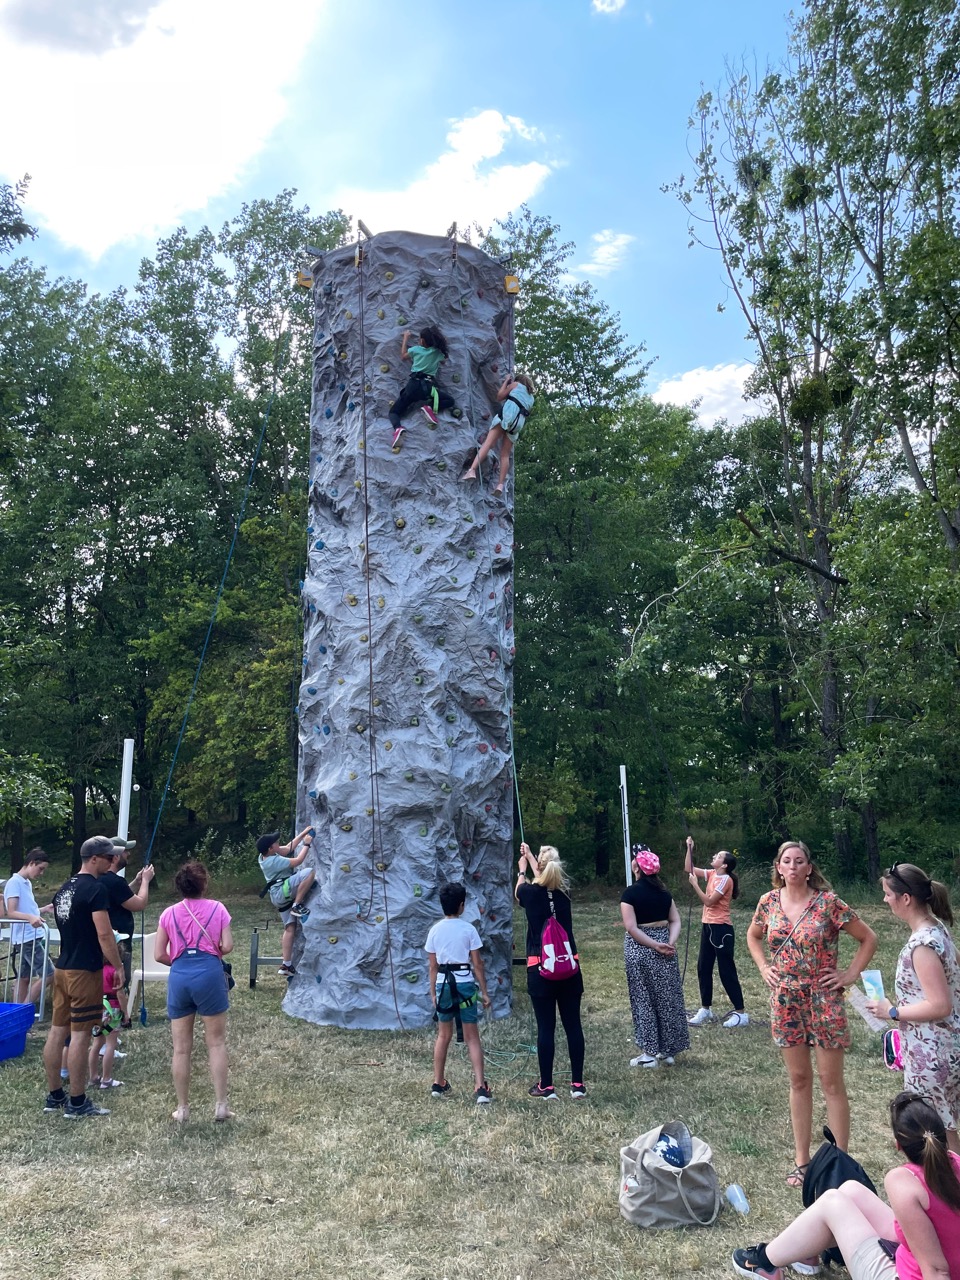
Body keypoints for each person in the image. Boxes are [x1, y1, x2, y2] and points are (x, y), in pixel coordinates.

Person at [747, 839, 877, 1187]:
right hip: (786, 999)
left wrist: (849, 975)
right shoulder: (768, 903)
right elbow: (753, 935)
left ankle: (839, 1164)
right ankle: (802, 1161)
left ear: (808, 867)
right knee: (799, 1080)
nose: (792, 866)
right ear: (778, 867)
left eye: (799, 860)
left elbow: (869, 938)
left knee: (831, 1082)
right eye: (786, 861)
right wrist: (763, 966)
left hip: (824, 998)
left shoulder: (827, 903)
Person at [731, 1091, 960, 1280]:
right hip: (929, 1256)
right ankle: (802, 1250)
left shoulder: (902, 1182)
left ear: (898, 1144)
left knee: (833, 1202)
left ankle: (763, 1262)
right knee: (850, 1190)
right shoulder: (955, 1162)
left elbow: (938, 1271)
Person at [865, 862, 960, 1155]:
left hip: (933, 1053)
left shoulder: (922, 945)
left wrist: (892, 1012)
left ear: (905, 898)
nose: (884, 900)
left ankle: (950, 1189)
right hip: (945, 1045)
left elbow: (939, 1004)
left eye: (887, 894)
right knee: (948, 1126)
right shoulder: (938, 930)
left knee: (937, 1133)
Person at [42, 835, 125, 1120]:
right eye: (109, 857)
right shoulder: (95, 889)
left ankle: (55, 1095)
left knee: (57, 1031)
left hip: (62, 968)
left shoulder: (64, 888)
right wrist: (118, 966)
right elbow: (104, 934)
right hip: (84, 970)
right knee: (79, 1035)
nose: (113, 861)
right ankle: (77, 1102)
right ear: (94, 859)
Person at [155, 861, 234, 1124]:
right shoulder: (218, 908)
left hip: (180, 976)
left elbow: (159, 954)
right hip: (209, 974)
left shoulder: (168, 914)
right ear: (204, 884)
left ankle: (183, 1108)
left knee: (181, 1049)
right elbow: (228, 945)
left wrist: (180, 962)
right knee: (216, 1042)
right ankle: (221, 1105)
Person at [515, 841, 586, 1100]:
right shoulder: (564, 894)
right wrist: (534, 857)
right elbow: (546, 881)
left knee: (546, 1028)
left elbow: (520, 892)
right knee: (573, 1026)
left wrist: (523, 868)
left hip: (541, 970)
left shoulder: (529, 894)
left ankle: (547, 1086)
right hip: (570, 969)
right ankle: (577, 1085)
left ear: (540, 869)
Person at [620, 844, 690, 1068]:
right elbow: (675, 921)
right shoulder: (665, 893)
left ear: (638, 868)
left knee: (644, 1000)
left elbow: (632, 928)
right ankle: (668, 1052)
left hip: (640, 949)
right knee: (667, 999)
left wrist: (653, 945)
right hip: (665, 948)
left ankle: (648, 1053)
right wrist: (669, 942)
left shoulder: (630, 894)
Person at [424, 881, 492, 1104]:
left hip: (443, 984)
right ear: (462, 906)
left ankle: (438, 1082)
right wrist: (484, 991)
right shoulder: (468, 929)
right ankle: (480, 1086)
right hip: (464, 985)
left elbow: (433, 966)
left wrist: (433, 992)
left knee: (443, 1035)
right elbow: (477, 963)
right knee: (472, 1037)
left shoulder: (434, 930)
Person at [684, 835, 749, 1028]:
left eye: (718, 856)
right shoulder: (713, 874)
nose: (715, 856)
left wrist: (695, 885)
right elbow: (688, 868)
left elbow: (709, 901)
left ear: (725, 864)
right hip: (708, 926)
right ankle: (706, 1009)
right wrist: (689, 848)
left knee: (726, 970)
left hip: (722, 929)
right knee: (703, 967)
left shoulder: (725, 880)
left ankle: (741, 1013)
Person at [99, 838, 155, 1009]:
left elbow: (120, 897)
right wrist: (145, 881)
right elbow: (139, 904)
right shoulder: (115, 882)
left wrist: (135, 883)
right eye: (125, 851)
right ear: (115, 857)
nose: (128, 854)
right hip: (118, 943)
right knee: (118, 982)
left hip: (106, 941)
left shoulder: (104, 879)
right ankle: (113, 1021)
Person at [459, 372, 535, 496]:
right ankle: (500, 485)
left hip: (506, 417)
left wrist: (506, 382)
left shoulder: (516, 384)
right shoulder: (531, 398)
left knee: (488, 444)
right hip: (517, 424)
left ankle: (472, 470)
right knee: (504, 455)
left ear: (519, 381)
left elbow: (499, 396)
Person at [256, 827, 315, 978]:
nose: (279, 843)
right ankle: (297, 905)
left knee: (290, 928)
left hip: (277, 896)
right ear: (271, 848)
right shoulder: (274, 861)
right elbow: (298, 861)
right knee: (309, 873)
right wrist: (307, 844)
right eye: (276, 843)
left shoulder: (264, 856)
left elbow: (289, 847)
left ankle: (286, 965)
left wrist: (303, 834)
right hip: (283, 892)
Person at [388, 327, 454, 448]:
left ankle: (398, 429)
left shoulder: (415, 350)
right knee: (450, 400)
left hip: (412, 386)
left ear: (422, 341)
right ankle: (429, 407)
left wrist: (405, 338)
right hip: (428, 389)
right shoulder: (437, 353)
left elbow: (403, 356)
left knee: (394, 412)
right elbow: (444, 360)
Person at [3, 847, 54, 1005]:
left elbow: (26, 911)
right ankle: (24, 1008)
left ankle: (17, 1009)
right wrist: (30, 917)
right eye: (40, 869)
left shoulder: (25, 883)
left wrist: (42, 910)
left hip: (30, 935)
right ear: (31, 863)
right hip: (27, 938)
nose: (41, 873)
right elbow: (11, 912)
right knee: (50, 974)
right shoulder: (14, 883)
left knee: (24, 977)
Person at [87, 961, 124, 1090]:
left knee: (96, 1043)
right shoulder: (115, 971)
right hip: (112, 1008)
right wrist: (126, 1013)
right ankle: (106, 1079)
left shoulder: (94, 969)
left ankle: (93, 1076)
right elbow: (120, 993)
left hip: (96, 1008)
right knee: (110, 1045)